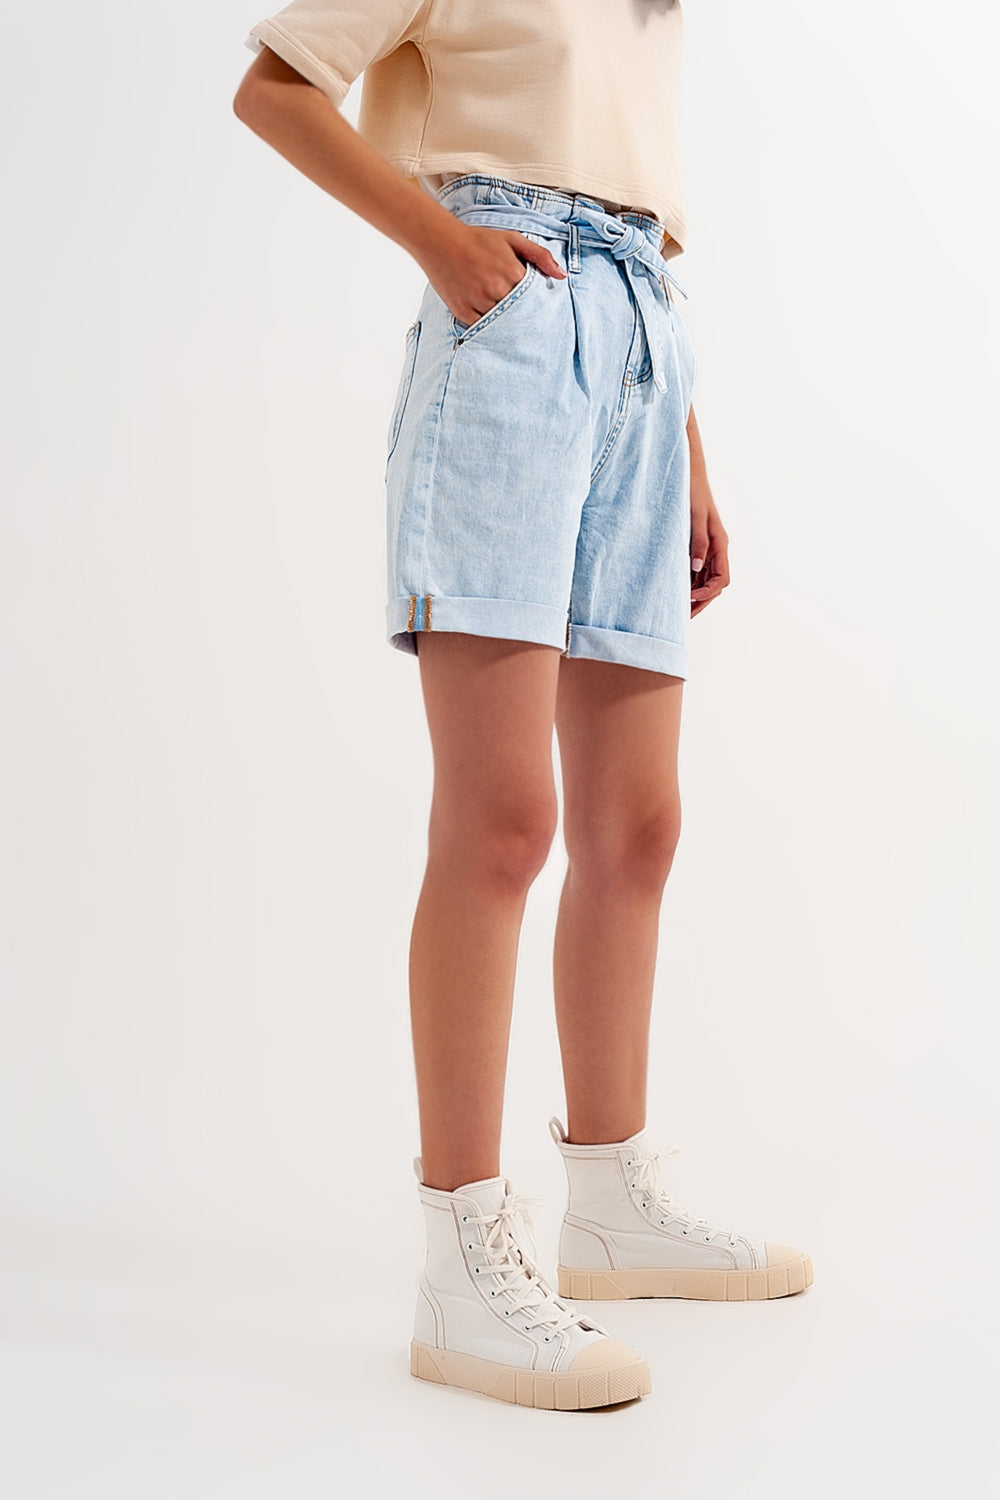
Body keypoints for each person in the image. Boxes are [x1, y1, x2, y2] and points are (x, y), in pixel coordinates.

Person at [233, 0, 813, 1412]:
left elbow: (632, 215)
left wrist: (687, 448)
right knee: (502, 823)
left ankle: (610, 1202)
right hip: (508, 340)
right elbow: (276, 89)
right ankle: (458, 1262)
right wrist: (445, 247)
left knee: (640, 825)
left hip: (636, 349)